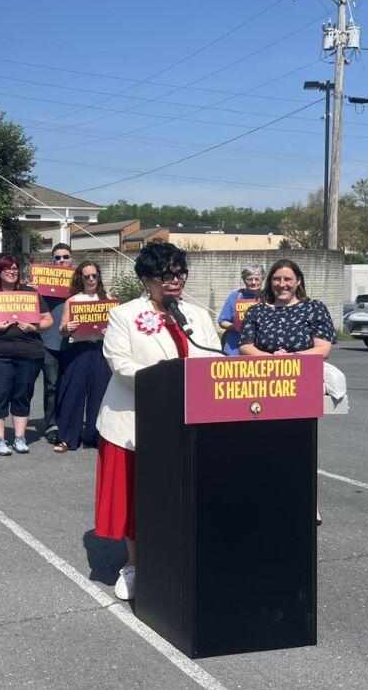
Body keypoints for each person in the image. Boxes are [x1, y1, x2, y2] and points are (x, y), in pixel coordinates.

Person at [95, 243, 220, 601]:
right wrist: (168, 380)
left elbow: (212, 361)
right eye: (167, 275)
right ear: (147, 279)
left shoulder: (197, 316)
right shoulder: (124, 315)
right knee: (136, 498)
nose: (176, 280)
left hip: (190, 421)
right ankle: (133, 565)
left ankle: (179, 557)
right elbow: (120, 364)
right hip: (135, 421)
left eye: (180, 273)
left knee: (182, 494)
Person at [238, 258, 336, 526]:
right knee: (264, 447)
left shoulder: (314, 308)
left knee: (300, 447)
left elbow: (322, 348)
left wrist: (291, 358)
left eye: (288, 279)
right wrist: (271, 361)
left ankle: (309, 503)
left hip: (299, 387)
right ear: (270, 282)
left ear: (298, 282)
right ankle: (269, 500)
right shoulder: (257, 311)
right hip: (263, 386)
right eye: (277, 279)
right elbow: (245, 346)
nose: (282, 285)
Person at [0, 255, 53, 456]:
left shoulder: (30, 294)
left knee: (23, 395)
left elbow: (48, 320)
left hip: (29, 354)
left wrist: (34, 327)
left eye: (15, 268)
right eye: (7, 268)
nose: (12, 271)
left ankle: (19, 437)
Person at [54, 261, 113, 452]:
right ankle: (66, 438)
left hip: (99, 350)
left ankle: (95, 437)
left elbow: (117, 330)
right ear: (81, 278)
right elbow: (62, 330)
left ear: (99, 276)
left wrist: (109, 331)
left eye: (94, 275)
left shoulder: (108, 300)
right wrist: (66, 328)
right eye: (87, 276)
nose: (91, 279)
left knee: (100, 394)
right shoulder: (72, 301)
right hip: (77, 350)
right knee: (73, 393)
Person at [37, 243, 72, 441]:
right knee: (51, 385)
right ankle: (51, 424)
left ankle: (68, 420)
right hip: (49, 342)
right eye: (57, 258)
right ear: (53, 261)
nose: (61, 260)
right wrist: (32, 290)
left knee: (70, 384)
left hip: (74, 343)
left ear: (71, 258)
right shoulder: (42, 286)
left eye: (65, 256)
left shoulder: (80, 283)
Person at [217, 264, 265, 355]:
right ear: (243, 280)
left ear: (263, 279)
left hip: (260, 347)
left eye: (257, 279)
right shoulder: (235, 296)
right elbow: (222, 322)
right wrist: (238, 327)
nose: (253, 282)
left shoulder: (268, 297)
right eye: (249, 279)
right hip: (234, 346)